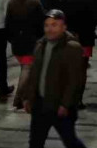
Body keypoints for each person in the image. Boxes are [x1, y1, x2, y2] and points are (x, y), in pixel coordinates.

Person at [22, 10, 88, 148]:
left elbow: (74, 80)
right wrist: (28, 97)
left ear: (63, 27)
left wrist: (65, 104)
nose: (50, 29)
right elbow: (34, 73)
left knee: (70, 141)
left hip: (60, 106)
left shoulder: (71, 47)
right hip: (40, 104)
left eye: (54, 25)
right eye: (47, 25)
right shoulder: (41, 44)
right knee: (35, 142)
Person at [6, 0, 46, 109]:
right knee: (27, 69)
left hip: (17, 41)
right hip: (30, 40)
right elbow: (41, 23)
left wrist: (11, 38)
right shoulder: (34, 2)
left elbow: (8, 23)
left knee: (25, 68)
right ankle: (19, 98)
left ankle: (26, 95)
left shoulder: (12, 3)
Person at [59, 0, 95, 108]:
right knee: (82, 70)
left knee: (67, 68)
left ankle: (66, 97)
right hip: (85, 37)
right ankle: (78, 98)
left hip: (68, 36)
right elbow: (94, 17)